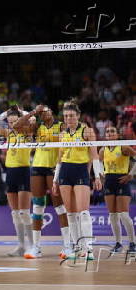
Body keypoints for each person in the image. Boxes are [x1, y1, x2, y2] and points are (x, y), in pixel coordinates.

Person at [13, 105, 72, 259]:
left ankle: (67, 246)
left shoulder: (61, 126)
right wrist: (33, 112)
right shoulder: (36, 126)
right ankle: (36, 247)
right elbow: (16, 126)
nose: (45, 113)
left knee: (60, 207)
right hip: (37, 168)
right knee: (38, 207)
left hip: (54, 168)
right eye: (42, 112)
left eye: (47, 110)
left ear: (52, 112)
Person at [52, 101, 102, 260]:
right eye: (66, 116)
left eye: (72, 115)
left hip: (81, 171)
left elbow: (94, 155)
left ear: (78, 116)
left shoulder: (87, 131)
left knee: (84, 212)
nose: (69, 118)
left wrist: (98, 176)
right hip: (65, 172)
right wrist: (55, 180)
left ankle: (88, 249)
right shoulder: (62, 134)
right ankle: (76, 246)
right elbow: (59, 160)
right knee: (71, 214)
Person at [0, 107, 34, 257]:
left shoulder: (27, 132)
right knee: (15, 213)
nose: (13, 124)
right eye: (10, 122)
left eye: (15, 121)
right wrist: (5, 113)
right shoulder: (8, 133)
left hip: (23, 171)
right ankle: (20, 245)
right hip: (11, 173)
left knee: (25, 212)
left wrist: (22, 112)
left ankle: (32, 246)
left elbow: (33, 119)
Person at [99, 126, 136, 253]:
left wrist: (131, 174)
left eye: (112, 131)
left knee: (124, 215)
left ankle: (132, 243)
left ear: (117, 135)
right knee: (113, 215)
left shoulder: (124, 147)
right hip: (109, 182)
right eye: (107, 131)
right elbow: (97, 163)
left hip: (122, 181)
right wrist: (100, 175)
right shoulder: (103, 150)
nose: (109, 133)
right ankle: (118, 243)